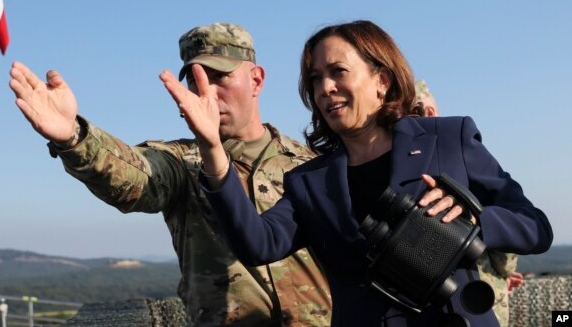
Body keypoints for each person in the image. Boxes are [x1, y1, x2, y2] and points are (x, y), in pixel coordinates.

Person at [160, 20, 554, 326]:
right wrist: (212, 148)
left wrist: (475, 221)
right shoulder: (309, 180)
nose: (325, 87)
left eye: (338, 72)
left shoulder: (447, 138)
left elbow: (535, 227)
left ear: (381, 80)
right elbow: (257, 244)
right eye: (315, 78)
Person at [8, 22, 332, 326]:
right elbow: (133, 174)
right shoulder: (184, 162)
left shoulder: (309, 162)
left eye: (219, 77)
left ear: (256, 80)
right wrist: (75, 138)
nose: (207, 93)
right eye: (195, 79)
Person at [414, 79, 525, 327]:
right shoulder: (463, 162)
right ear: (432, 111)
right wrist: (503, 274)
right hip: (481, 298)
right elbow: (506, 254)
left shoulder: (408, 168)